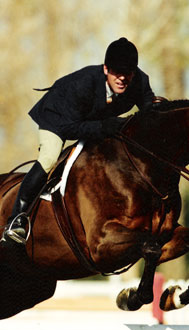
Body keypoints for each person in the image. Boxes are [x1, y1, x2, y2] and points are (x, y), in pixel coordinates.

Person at [3, 37, 155, 244]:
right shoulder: (82, 86)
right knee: (49, 158)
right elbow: (69, 127)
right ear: (105, 69)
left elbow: (148, 106)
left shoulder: (139, 81)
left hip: (92, 119)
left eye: (127, 72)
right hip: (58, 118)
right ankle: (16, 220)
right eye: (116, 72)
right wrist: (103, 126)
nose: (121, 78)